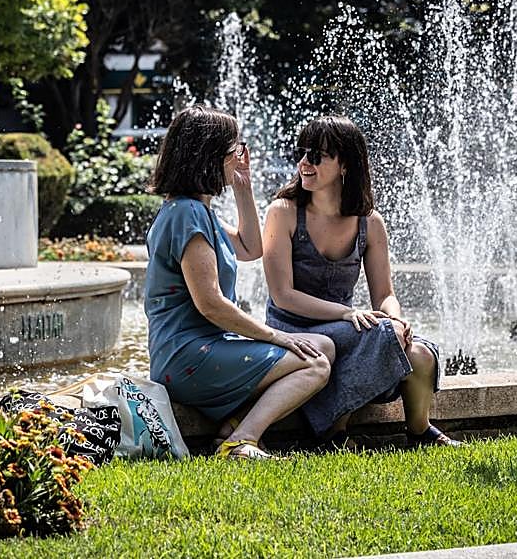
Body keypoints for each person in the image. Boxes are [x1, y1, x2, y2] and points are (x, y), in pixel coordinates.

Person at [144, 105, 336, 460]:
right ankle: (241, 440)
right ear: (208, 155)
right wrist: (276, 335)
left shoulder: (198, 212)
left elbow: (251, 247)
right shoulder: (187, 214)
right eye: (235, 149)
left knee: (322, 346)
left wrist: (243, 187)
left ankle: (234, 426)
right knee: (316, 362)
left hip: (201, 351)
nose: (240, 154)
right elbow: (210, 302)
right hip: (187, 357)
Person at [261, 115, 458, 448]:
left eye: (317, 155)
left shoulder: (370, 223)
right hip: (294, 327)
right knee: (373, 336)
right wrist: (345, 314)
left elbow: (384, 294)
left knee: (420, 353)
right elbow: (283, 296)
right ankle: (333, 434)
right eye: (303, 152)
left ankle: (420, 432)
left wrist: (395, 317)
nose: (304, 163)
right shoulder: (282, 212)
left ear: (345, 165)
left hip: (346, 330)